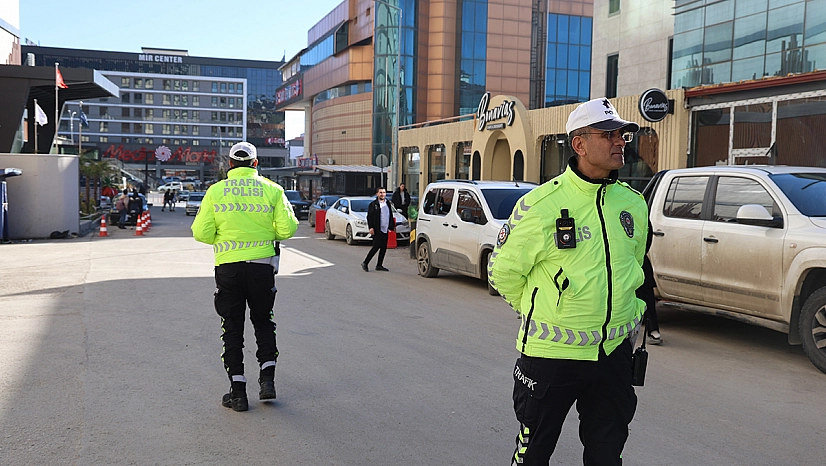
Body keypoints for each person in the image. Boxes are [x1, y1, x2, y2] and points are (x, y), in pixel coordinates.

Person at [489, 97, 649, 465]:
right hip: (552, 355)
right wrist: (542, 309)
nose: (620, 142)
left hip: (612, 354)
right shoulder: (540, 205)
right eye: (608, 135)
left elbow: (635, 267)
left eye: (622, 135)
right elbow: (502, 272)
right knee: (533, 455)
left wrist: (633, 312)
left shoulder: (633, 204)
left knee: (607, 455)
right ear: (579, 144)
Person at [191, 142, 298, 412]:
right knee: (263, 322)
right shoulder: (273, 190)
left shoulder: (215, 191)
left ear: (230, 164)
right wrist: (266, 234)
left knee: (232, 328)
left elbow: (201, 233)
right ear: (255, 163)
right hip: (262, 267)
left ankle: (238, 394)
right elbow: (287, 229)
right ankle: (267, 381)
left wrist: (225, 239)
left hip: (229, 269)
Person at [361, 186, 395, 272]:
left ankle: (379, 265)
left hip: (385, 228)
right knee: (376, 246)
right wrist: (371, 227)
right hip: (377, 228)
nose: (382, 194)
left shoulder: (388, 203)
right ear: (377, 194)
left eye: (384, 192)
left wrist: (392, 226)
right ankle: (365, 262)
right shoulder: (373, 205)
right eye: (380, 192)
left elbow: (390, 215)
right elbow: (369, 217)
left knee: (383, 247)